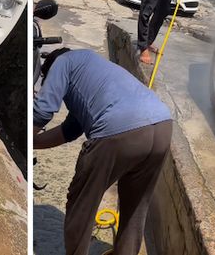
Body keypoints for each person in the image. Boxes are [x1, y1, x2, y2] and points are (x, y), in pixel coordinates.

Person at [34, 48, 172, 255]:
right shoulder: (92, 67)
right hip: (163, 125)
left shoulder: (61, 62)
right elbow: (70, 130)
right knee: (135, 208)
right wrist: (33, 143)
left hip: (119, 128)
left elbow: (42, 110)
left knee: (82, 203)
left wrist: (23, 136)